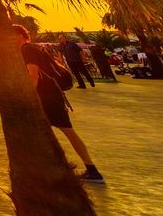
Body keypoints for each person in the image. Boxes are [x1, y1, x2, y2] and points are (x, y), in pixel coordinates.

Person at [14, 25, 103, 184]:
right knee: (67, 132)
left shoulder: (27, 50)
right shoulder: (33, 49)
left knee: (49, 132)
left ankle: (67, 168)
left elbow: (33, 77)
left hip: (46, 97)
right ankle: (91, 169)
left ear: (21, 35)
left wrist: (29, 99)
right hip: (53, 96)